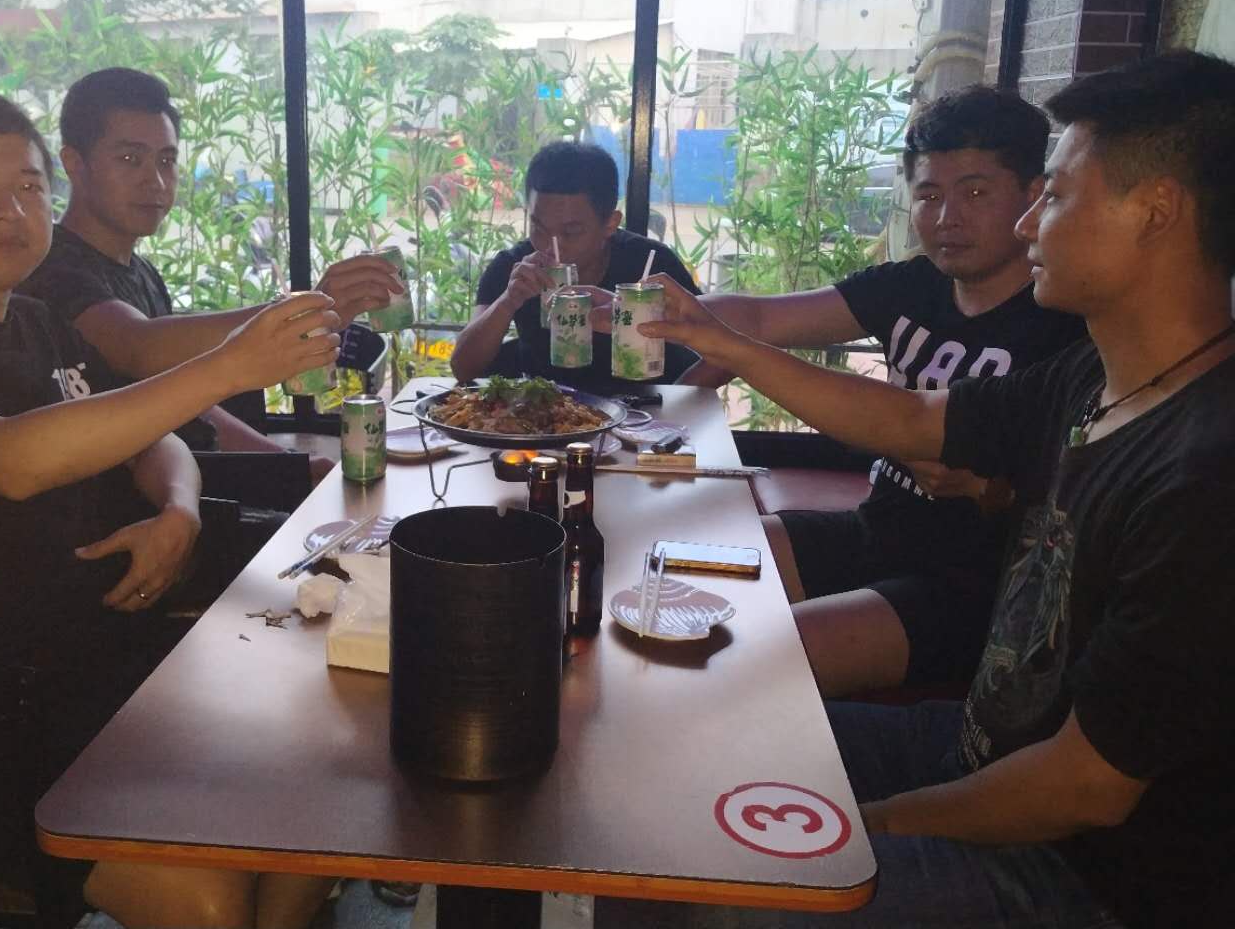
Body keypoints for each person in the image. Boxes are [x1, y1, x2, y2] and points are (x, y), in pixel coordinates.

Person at [598, 50, 1235, 927]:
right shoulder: (1095, 376)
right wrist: (723, 342)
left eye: (1052, 195)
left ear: (1155, 211)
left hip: (1085, 873)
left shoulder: (1206, 476)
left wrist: (867, 830)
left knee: (720, 877)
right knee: (658, 766)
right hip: (972, 743)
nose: (1028, 224)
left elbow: (1084, 788)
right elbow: (910, 420)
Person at [0, 90, 341, 928]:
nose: (10, 209)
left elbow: (150, 435)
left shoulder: (39, 323)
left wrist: (180, 511)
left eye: (28, 186)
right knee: (211, 900)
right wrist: (231, 365)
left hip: (101, 664)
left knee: (333, 760)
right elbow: (11, 460)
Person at [672, 87, 1087, 697]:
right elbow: (759, 318)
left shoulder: (1064, 325)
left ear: (1032, 196)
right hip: (876, 531)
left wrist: (989, 489)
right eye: (929, 195)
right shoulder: (914, 284)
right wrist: (649, 310)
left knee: (737, 659)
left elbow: (1081, 500)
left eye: (975, 193)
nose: (947, 218)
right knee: (674, 569)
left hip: (968, 587)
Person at [19, 66, 403, 476]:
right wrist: (306, 311)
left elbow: (195, 403)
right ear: (75, 164)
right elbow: (138, 348)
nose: (155, 180)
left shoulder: (141, 272)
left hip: (191, 480)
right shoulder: (51, 267)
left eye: (166, 160)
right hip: (135, 501)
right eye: (130, 159)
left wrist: (293, 468)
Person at [451, 140, 701, 391]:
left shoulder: (651, 264)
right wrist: (508, 301)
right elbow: (463, 367)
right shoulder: (516, 268)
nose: (551, 246)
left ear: (610, 224)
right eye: (538, 227)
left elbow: (716, 348)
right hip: (545, 409)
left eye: (571, 232)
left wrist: (677, 398)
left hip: (642, 409)